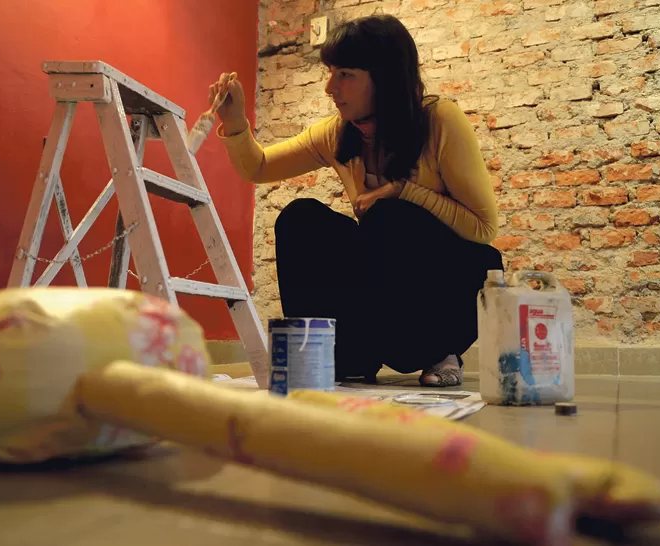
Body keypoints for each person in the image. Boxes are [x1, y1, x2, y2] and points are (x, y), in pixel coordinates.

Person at [209, 14, 502, 387]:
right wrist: (234, 121)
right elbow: (260, 166)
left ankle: (438, 351)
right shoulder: (337, 133)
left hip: (444, 286)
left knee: (390, 216)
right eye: (330, 72)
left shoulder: (440, 119)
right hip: (383, 284)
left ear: (385, 78)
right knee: (301, 217)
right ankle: (339, 356)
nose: (330, 87)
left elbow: (484, 227)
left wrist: (403, 190)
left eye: (345, 74)